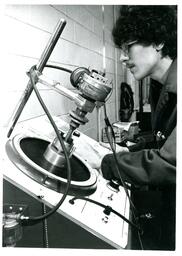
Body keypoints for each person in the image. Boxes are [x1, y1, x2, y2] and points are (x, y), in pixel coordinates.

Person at [100, 6, 177, 250]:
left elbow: (171, 163)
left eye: (128, 46)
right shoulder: (160, 86)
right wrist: (131, 150)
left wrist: (111, 163)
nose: (123, 57)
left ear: (158, 42)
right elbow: (163, 139)